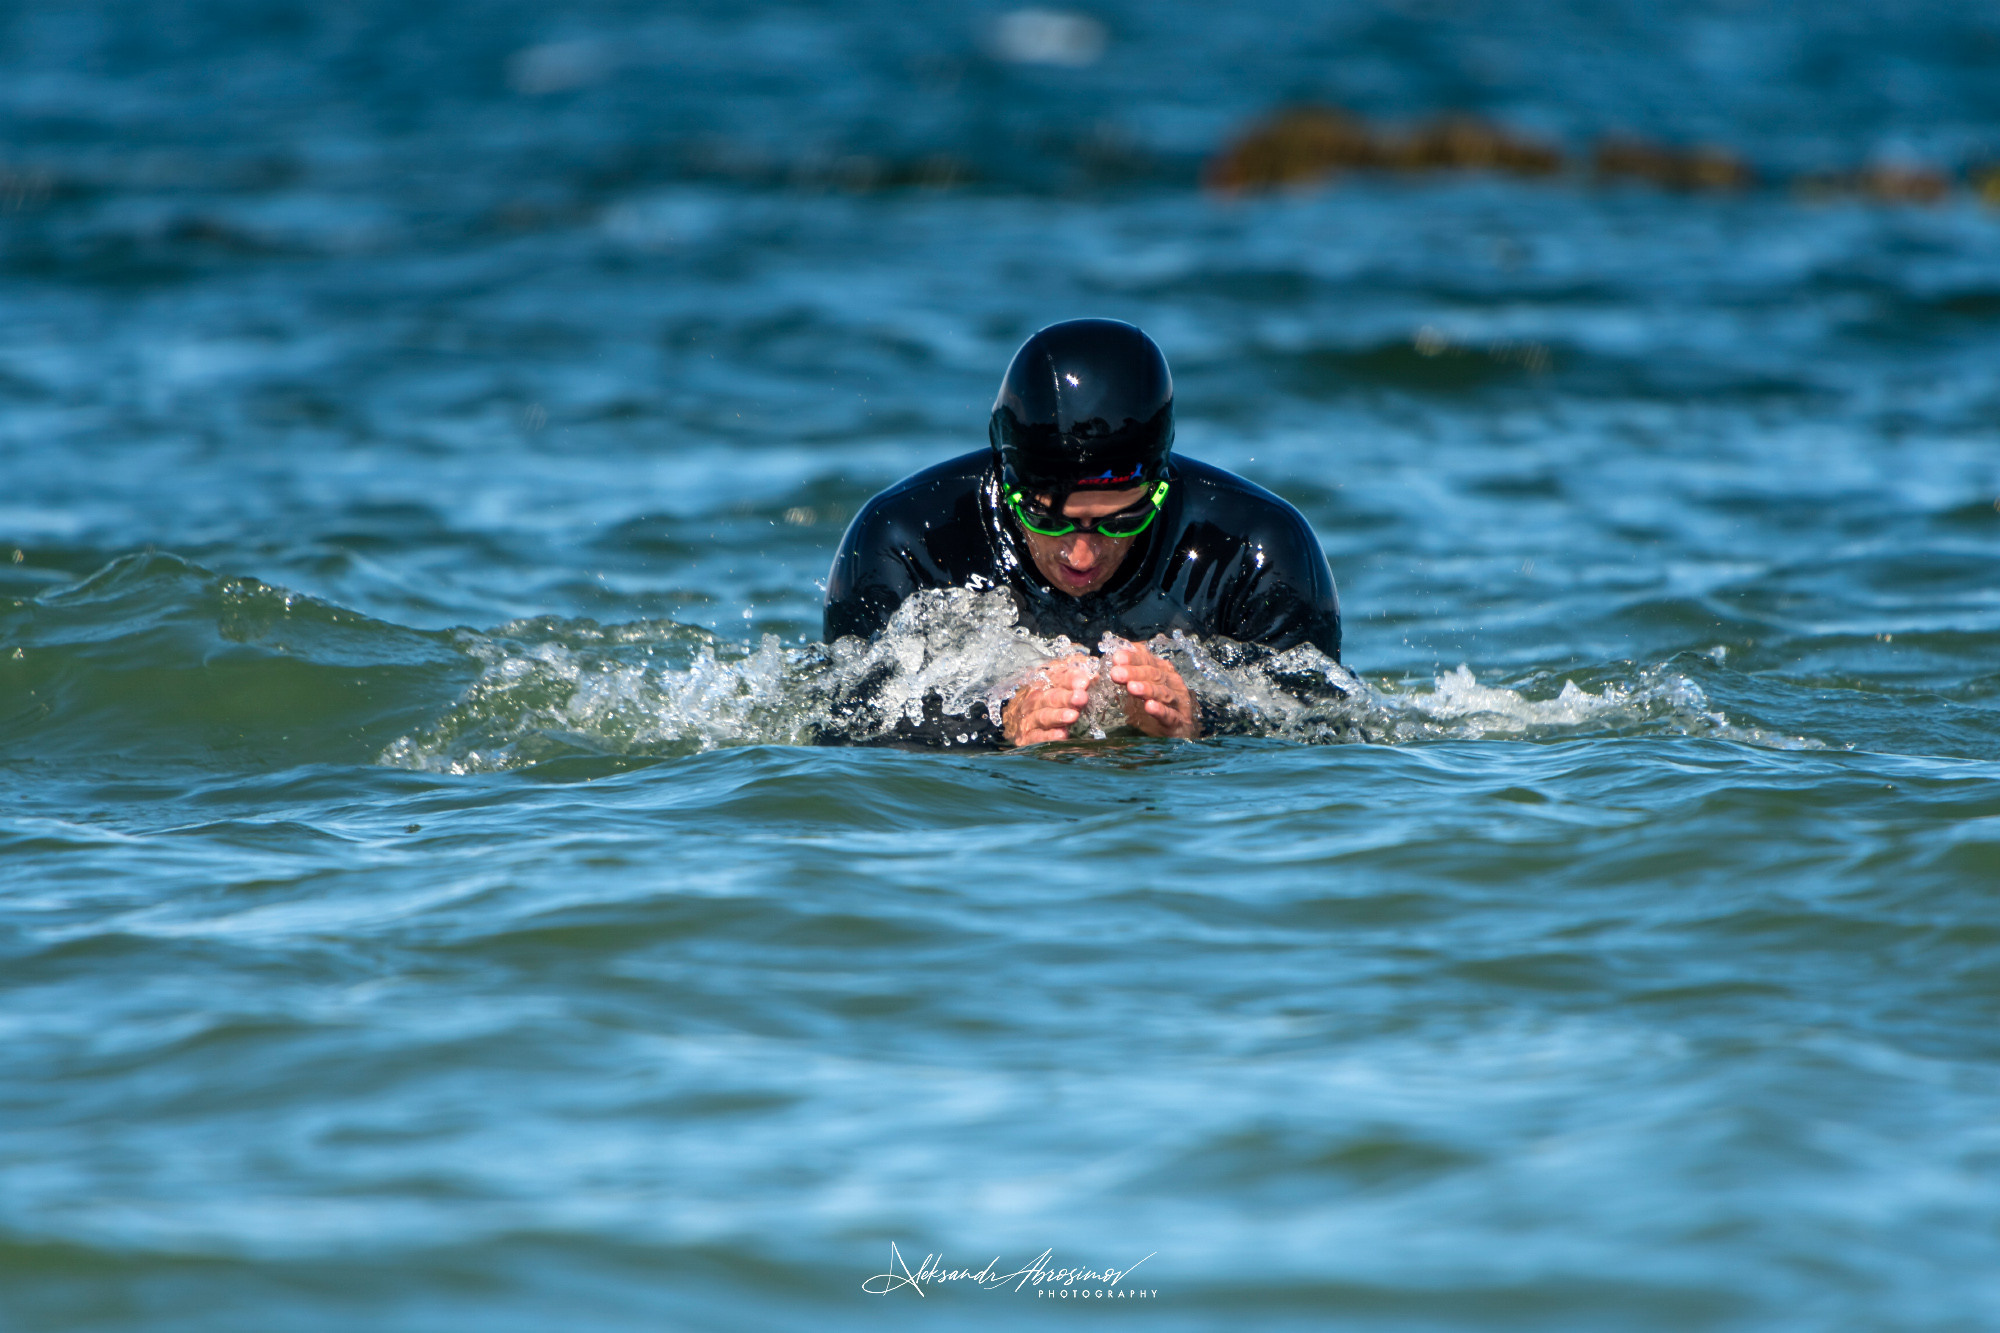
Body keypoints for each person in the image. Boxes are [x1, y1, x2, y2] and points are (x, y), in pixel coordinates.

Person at [823, 318, 1341, 747]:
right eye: (1047, 520)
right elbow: (842, 726)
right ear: (1007, 482)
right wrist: (999, 722)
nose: (1082, 556)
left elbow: (1328, 727)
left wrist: (1201, 717)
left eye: (1122, 521)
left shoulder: (1255, 547)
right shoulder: (906, 539)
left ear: (1158, 485)